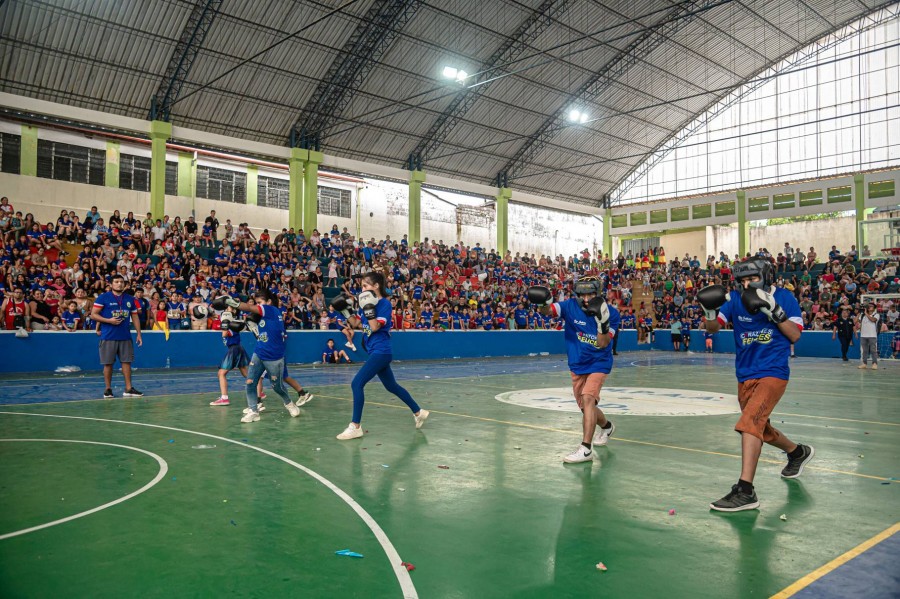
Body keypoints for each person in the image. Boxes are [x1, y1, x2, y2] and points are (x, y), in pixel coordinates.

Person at [698, 258, 813, 512]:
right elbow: (713, 328)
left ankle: (745, 490)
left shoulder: (784, 297)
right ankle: (797, 452)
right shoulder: (735, 299)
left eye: (752, 279)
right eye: (742, 281)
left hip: (773, 371)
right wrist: (708, 311)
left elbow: (795, 334)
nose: (747, 284)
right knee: (761, 428)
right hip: (745, 374)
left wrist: (775, 311)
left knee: (750, 423)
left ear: (766, 276)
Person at [528, 275, 619, 464]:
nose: (586, 299)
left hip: (599, 362)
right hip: (577, 363)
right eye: (582, 295)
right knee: (586, 408)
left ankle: (586, 449)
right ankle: (608, 427)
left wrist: (602, 322)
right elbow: (548, 311)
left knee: (588, 399)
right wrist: (543, 302)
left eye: (591, 294)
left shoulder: (611, 313)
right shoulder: (569, 306)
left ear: (598, 293)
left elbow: (603, 344)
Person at [329, 272, 429, 440]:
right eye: (362, 286)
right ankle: (418, 412)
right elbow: (357, 324)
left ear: (376, 286)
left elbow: (374, 327)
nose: (363, 289)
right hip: (374, 350)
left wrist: (369, 309)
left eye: (366, 285)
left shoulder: (384, 304)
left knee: (356, 384)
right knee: (391, 386)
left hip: (381, 351)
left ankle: (355, 426)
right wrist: (346, 311)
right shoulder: (364, 303)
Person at [215, 290, 300, 423]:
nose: (257, 305)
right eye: (257, 303)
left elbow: (248, 307)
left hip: (274, 357)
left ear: (268, 302)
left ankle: (289, 403)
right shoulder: (262, 316)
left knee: (277, 386)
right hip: (259, 353)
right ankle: (253, 411)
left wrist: (229, 301)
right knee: (250, 382)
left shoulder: (270, 310)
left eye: (259, 302)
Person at [91, 274, 143, 399]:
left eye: (121, 282)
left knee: (127, 362)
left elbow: (135, 316)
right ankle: (108, 389)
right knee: (108, 364)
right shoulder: (103, 298)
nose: (119, 284)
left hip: (125, 336)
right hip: (108, 336)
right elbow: (93, 315)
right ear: (111, 284)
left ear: (125, 284)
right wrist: (109, 321)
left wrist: (139, 334)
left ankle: (128, 388)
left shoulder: (130, 299)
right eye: (116, 281)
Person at [210, 308, 250, 406]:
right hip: (238, 348)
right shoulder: (232, 326)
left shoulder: (231, 327)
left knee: (221, 373)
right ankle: (259, 391)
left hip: (234, 349)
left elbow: (224, 334)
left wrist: (225, 325)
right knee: (246, 373)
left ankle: (224, 398)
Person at [857, 303, 880, 370]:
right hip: (863, 335)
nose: (869, 307)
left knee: (873, 350)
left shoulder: (876, 315)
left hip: (872, 335)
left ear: (874, 308)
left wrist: (866, 313)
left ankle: (874, 364)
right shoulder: (862, 315)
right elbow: (856, 321)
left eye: (871, 306)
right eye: (868, 306)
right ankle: (864, 364)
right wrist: (859, 313)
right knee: (864, 350)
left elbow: (872, 320)